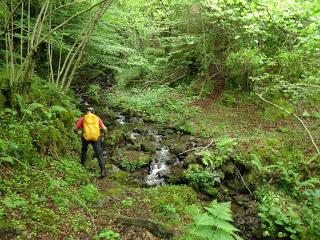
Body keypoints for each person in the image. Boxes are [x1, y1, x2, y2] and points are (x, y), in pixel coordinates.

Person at [75, 107, 107, 179]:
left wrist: (76, 132)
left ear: (87, 112)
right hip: (96, 138)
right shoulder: (97, 118)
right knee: (99, 154)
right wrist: (105, 134)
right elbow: (104, 128)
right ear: (93, 112)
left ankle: (82, 166)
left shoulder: (83, 118)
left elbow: (76, 128)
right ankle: (103, 172)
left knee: (84, 150)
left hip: (85, 137)